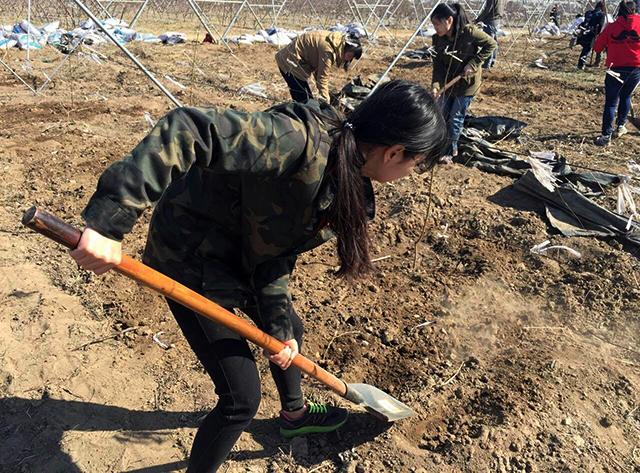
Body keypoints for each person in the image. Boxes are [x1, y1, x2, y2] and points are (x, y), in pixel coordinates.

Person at [68, 80, 447, 472]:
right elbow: (189, 129)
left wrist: (277, 325)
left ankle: (295, 416)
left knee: (289, 329)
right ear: (394, 152)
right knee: (241, 400)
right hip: (189, 258)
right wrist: (109, 221)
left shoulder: (343, 177)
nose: (411, 172)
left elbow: (276, 251)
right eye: (416, 163)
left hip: (240, 256)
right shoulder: (296, 140)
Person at [431, 3, 497, 161]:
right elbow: (437, 67)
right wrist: (435, 86)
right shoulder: (437, 39)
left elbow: (491, 44)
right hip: (449, 82)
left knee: (455, 117)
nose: (435, 28)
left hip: (467, 84)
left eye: (437, 24)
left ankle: (450, 151)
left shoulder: (469, 32)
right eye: (433, 24)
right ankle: (440, 145)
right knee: (443, 114)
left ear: (449, 20)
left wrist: (473, 64)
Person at [593, 1, 640, 145]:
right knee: (626, 96)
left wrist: (604, 36)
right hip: (635, 69)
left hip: (615, 69)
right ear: (635, 11)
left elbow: (597, 48)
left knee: (611, 103)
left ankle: (605, 136)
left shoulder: (611, 27)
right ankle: (620, 126)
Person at [275, 30, 362, 103]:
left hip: (295, 62)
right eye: (349, 56)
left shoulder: (336, 42)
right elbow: (322, 77)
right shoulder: (328, 51)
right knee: (306, 102)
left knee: (302, 99)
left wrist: (324, 94)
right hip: (290, 62)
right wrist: (326, 99)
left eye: (351, 58)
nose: (348, 59)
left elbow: (318, 71)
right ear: (346, 48)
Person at [576, 1, 606, 69]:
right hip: (592, 34)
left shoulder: (588, 12)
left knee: (585, 49)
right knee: (587, 50)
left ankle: (581, 64)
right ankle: (581, 65)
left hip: (584, 33)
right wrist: (597, 34)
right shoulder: (601, 15)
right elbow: (600, 25)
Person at [474, 0, 503, 69]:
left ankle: (487, 65)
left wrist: (478, 19)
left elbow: (488, 9)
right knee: (494, 43)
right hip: (497, 20)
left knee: (489, 43)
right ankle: (492, 62)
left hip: (491, 20)